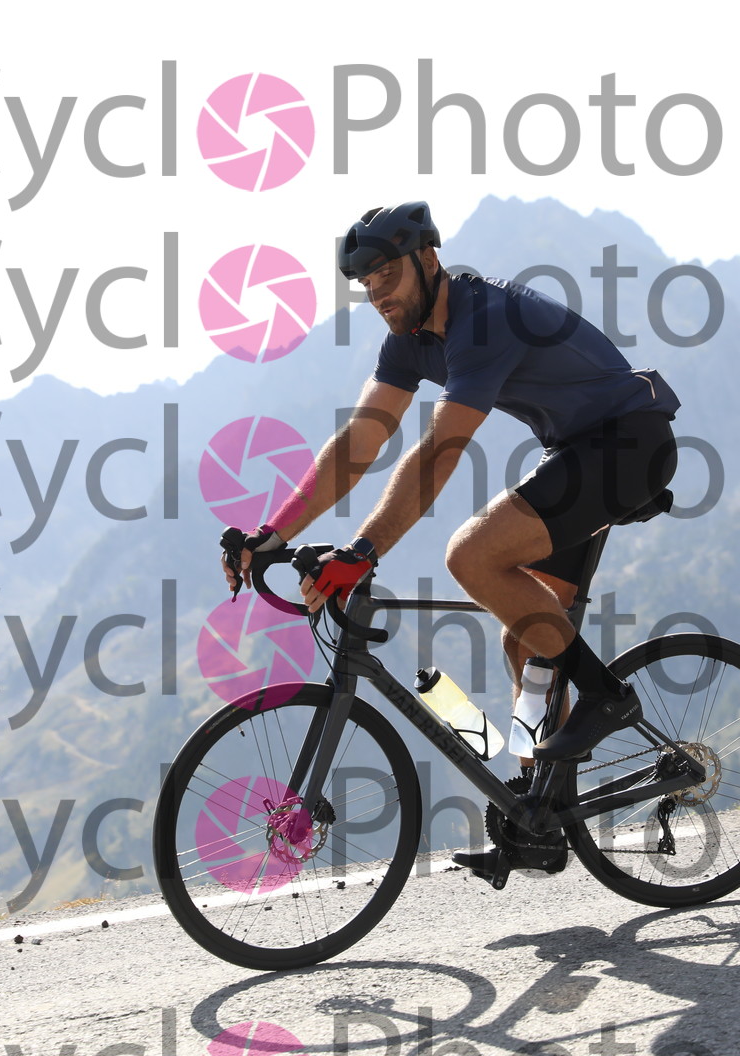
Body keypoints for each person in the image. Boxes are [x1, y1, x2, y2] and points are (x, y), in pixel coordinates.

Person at [220, 201, 680, 878]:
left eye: (387, 273)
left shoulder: (482, 319)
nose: (377, 292)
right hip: (578, 453)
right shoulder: (410, 341)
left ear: (428, 259)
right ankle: (543, 814)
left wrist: (362, 552)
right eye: (366, 282)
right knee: (526, 636)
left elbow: (439, 452)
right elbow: (357, 444)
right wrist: (271, 534)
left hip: (628, 445)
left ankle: (606, 696)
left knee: (471, 555)